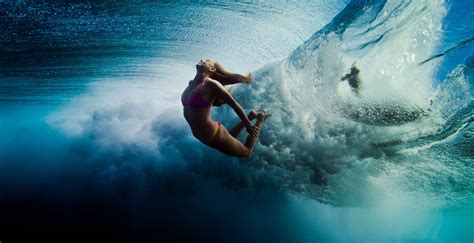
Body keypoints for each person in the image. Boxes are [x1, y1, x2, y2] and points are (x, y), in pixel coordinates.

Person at [181, 59, 271, 158]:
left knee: (247, 152)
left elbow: (234, 104)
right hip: (202, 136)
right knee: (230, 136)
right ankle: (251, 115)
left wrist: (248, 124)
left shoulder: (211, 84)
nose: (202, 60)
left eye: (207, 61)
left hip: (213, 134)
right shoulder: (190, 84)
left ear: (212, 69)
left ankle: (260, 119)